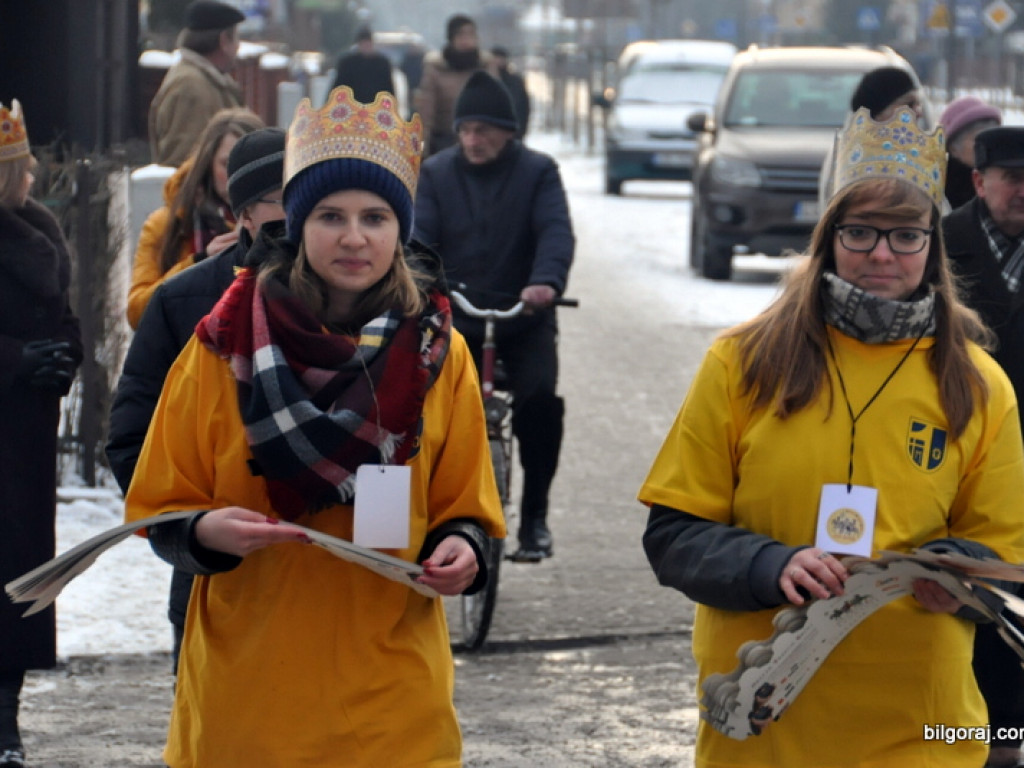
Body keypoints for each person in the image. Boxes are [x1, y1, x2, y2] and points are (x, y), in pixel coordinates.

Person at [123, 85, 505, 765]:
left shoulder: (439, 356)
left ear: (401, 229)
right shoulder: (220, 346)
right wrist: (201, 531)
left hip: (392, 691)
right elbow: (158, 502)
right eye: (330, 215)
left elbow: (465, 505)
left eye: (376, 216)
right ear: (296, 225)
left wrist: (464, 547)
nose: (354, 237)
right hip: (251, 687)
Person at [640, 107, 1024, 767]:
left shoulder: (978, 383)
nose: (882, 252)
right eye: (861, 231)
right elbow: (675, 535)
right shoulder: (742, 362)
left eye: (906, 235)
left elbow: (1006, 550)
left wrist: (960, 575)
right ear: (827, 237)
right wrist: (771, 565)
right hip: (764, 716)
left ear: (932, 243)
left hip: (921, 720)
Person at [107, 127, 287, 676]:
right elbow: (133, 436)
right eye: (282, 198)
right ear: (246, 215)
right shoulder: (185, 299)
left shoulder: (360, 297)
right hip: (219, 574)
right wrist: (193, 525)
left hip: (339, 577)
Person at [414, 71, 574, 562]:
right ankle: (427, 513)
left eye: (483, 130)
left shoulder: (538, 172)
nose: (472, 140)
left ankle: (534, 518)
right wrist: (422, 283)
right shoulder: (437, 173)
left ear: (509, 132)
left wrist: (545, 281)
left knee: (539, 401)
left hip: (523, 314)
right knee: (416, 401)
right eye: (465, 130)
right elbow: (419, 236)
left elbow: (554, 231)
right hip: (454, 316)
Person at [0, 99, 82, 768]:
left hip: (24, 439)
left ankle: (6, 718)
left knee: (19, 578)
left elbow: (66, 317)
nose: (31, 176)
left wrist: (62, 357)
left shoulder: (42, 230)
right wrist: (12, 360)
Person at [943, 126, 1024, 768]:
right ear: (978, 181)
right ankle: (976, 742)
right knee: (973, 604)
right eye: (1011, 178)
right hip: (961, 456)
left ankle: (1008, 741)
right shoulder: (942, 248)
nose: (1023, 191)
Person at [127, 107, 263, 328]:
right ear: (208, 163)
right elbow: (137, 314)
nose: (237, 176)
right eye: (227, 164)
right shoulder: (165, 225)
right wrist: (200, 264)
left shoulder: (285, 223)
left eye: (247, 165)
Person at [148, 0, 245, 167]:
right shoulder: (190, 88)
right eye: (236, 38)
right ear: (223, 41)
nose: (238, 46)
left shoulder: (205, 82)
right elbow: (183, 164)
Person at [818, 65, 925, 208]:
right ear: (878, 112)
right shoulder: (853, 155)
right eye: (909, 104)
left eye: (918, 104)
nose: (918, 112)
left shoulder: (912, 150)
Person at [414, 14, 499, 157]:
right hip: (445, 141)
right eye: (461, 34)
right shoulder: (436, 68)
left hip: (482, 141)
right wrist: (422, 149)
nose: (466, 39)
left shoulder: (486, 67)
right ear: (452, 38)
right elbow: (426, 112)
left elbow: (497, 104)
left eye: (470, 34)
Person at [939, 96, 1002, 210]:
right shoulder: (941, 194)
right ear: (953, 148)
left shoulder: (1004, 183)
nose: (989, 146)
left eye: (994, 138)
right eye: (979, 140)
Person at [330, 25, 395, 105]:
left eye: (368, 43)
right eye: (363, 43)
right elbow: (338, 88)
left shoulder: (382, 64)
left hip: (375, 108)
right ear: (358, 44)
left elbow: (388, 89)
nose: (366, 46)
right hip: (352, 108)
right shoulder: (348, 64)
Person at [491, 46, 530, 138]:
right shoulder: (484, 80)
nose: (498, 61)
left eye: (501, 58)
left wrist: (521, 131)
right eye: (495, 58)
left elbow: (524, 106)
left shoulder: (515, 81)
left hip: (513, 132)